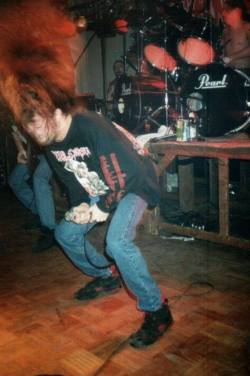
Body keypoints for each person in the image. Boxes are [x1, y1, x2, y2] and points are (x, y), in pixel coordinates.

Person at [20, 105, 173, 348]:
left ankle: (157, 309)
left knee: (117, 242)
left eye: (38, 126)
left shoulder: (90, 125)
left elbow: (128, 173)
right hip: (102, 188)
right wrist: (80, 205)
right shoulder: (50, 141)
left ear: (57, 113)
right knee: (65, 234)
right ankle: (106, 276)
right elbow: (72, 181)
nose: (37, 136)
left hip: (135, 184)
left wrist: (101, 206)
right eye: (31, 131)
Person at [8, 126, 57, 252]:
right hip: (33, 154)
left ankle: (49, 229)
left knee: (39, 178)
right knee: (15, 180)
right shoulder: (9, 115)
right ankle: (39, 211)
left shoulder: (34, 109)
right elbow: (15, 133)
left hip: (51, 152)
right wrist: (21, 151)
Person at [222, 0, 250, 70]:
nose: (223, 13)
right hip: (228, 71)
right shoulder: (225, 30)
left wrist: (232, 57)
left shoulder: (247, 27)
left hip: (244, 71)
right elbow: (223, 52)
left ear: (236, 11)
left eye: (227, 10)